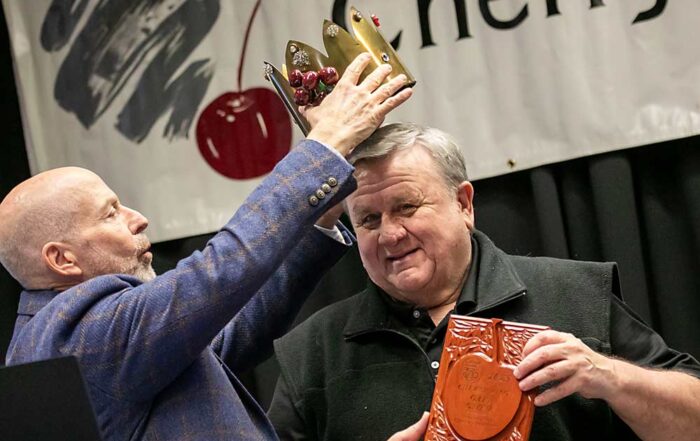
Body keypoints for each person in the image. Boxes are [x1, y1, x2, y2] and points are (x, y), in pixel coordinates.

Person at [1, 54, 418, 441]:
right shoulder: (77, 332)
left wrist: (320, 214)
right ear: (61, 259)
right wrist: (324, 147)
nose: (138, 218)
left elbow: (227, 332)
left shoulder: (89, 343)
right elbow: (216, 272)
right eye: (111, 214)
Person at [268, 122, 700, 441]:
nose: (391, 234)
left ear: (463, 203)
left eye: (407, 207)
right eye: (368, 219)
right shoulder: (309, 354)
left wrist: (609, 376)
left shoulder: (578, 294)